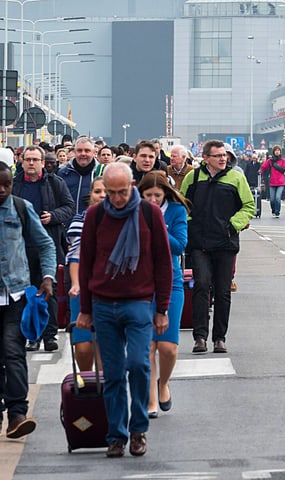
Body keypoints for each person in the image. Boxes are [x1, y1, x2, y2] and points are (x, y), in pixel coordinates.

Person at [76, 162, 173, 458]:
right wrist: (86, 309)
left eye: (122, 192)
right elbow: (87, 259)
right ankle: (116, 435)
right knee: (114, 374)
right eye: (111, 193)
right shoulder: (95, 215)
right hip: (104, 304)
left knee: (140, 366)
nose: (117, 199)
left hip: (139, 302)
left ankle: (138, 429)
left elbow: (162, 262)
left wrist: (162, 309)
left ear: (132, 186)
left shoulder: (148, 213)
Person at [181, 140, 254, 355]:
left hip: (225, 242)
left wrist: (233, 225)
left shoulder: (236, 177)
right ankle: (200, 337)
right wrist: (189, 223)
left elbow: (248, 206)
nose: (223, 159)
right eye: (218, 156)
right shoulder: (193, 177)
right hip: (200, 243)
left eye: (225, 155)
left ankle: (219, 338)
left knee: (222, 292)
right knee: (201, 285)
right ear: (206, 159)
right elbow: (182, 203)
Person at [0, 160, 56, 439]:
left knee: (13, 351)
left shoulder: (21, 208)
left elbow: (45, 243)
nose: (2, 190)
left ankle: (17, 414)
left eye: (7, 185)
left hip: (16, 294)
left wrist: (47, 277)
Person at [12, 145, 75, 352]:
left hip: (48, 243)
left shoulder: (55, 183)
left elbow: (69, 207)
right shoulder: (15, 184)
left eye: (35, 160)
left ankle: (50, 335)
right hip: (21, 247)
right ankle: (33, 335)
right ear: (22, 162)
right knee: (28, 292)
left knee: (49, 290)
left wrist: (53, 216)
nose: (31, 163)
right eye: (28, 159)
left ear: (42, 162)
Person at [137, 172, 188, 419]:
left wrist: (157, 225)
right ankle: (150, 401)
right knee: (147, 346)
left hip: (171, 281)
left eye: (158, 196)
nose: (154, 200)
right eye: (148, 196)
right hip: (141, 283)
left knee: (167, 347)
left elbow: (179, 245)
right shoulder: (133, 211)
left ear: (166, 193)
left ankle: (163, 382)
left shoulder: (176, 211)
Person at [66, 177, 106, 371]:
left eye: (107, 191)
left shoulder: (125, 219)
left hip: (112, 290)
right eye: (98, 191)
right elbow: (74, 256)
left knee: (104, 349)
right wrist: (76, 283)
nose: (103, 195)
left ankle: (105, 395)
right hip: (84, 288)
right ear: (90, 195)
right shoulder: (80, 220)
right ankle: (86, 381)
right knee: (82, 348)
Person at [58, 136, 98, 214]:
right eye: (79, 150)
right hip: (68, 223)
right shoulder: (63, 173)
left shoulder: (102, 173)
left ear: (94, 153)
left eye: (87, 151)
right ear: (74, 152)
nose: (83, 154)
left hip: (93, 222)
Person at [259, 145, 285, 218]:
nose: (277, 151)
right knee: (272, 199)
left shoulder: (283, 160)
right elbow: (263, 167)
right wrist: (260, 171)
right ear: (274, 152)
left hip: (281, 182)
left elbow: (284, 169)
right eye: (276, 150)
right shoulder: (270, 161)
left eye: (278, 150)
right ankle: (273, 210)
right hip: (272, 182)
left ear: (280, 152)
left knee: (278, 198)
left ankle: (277, 212)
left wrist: (276, 165)